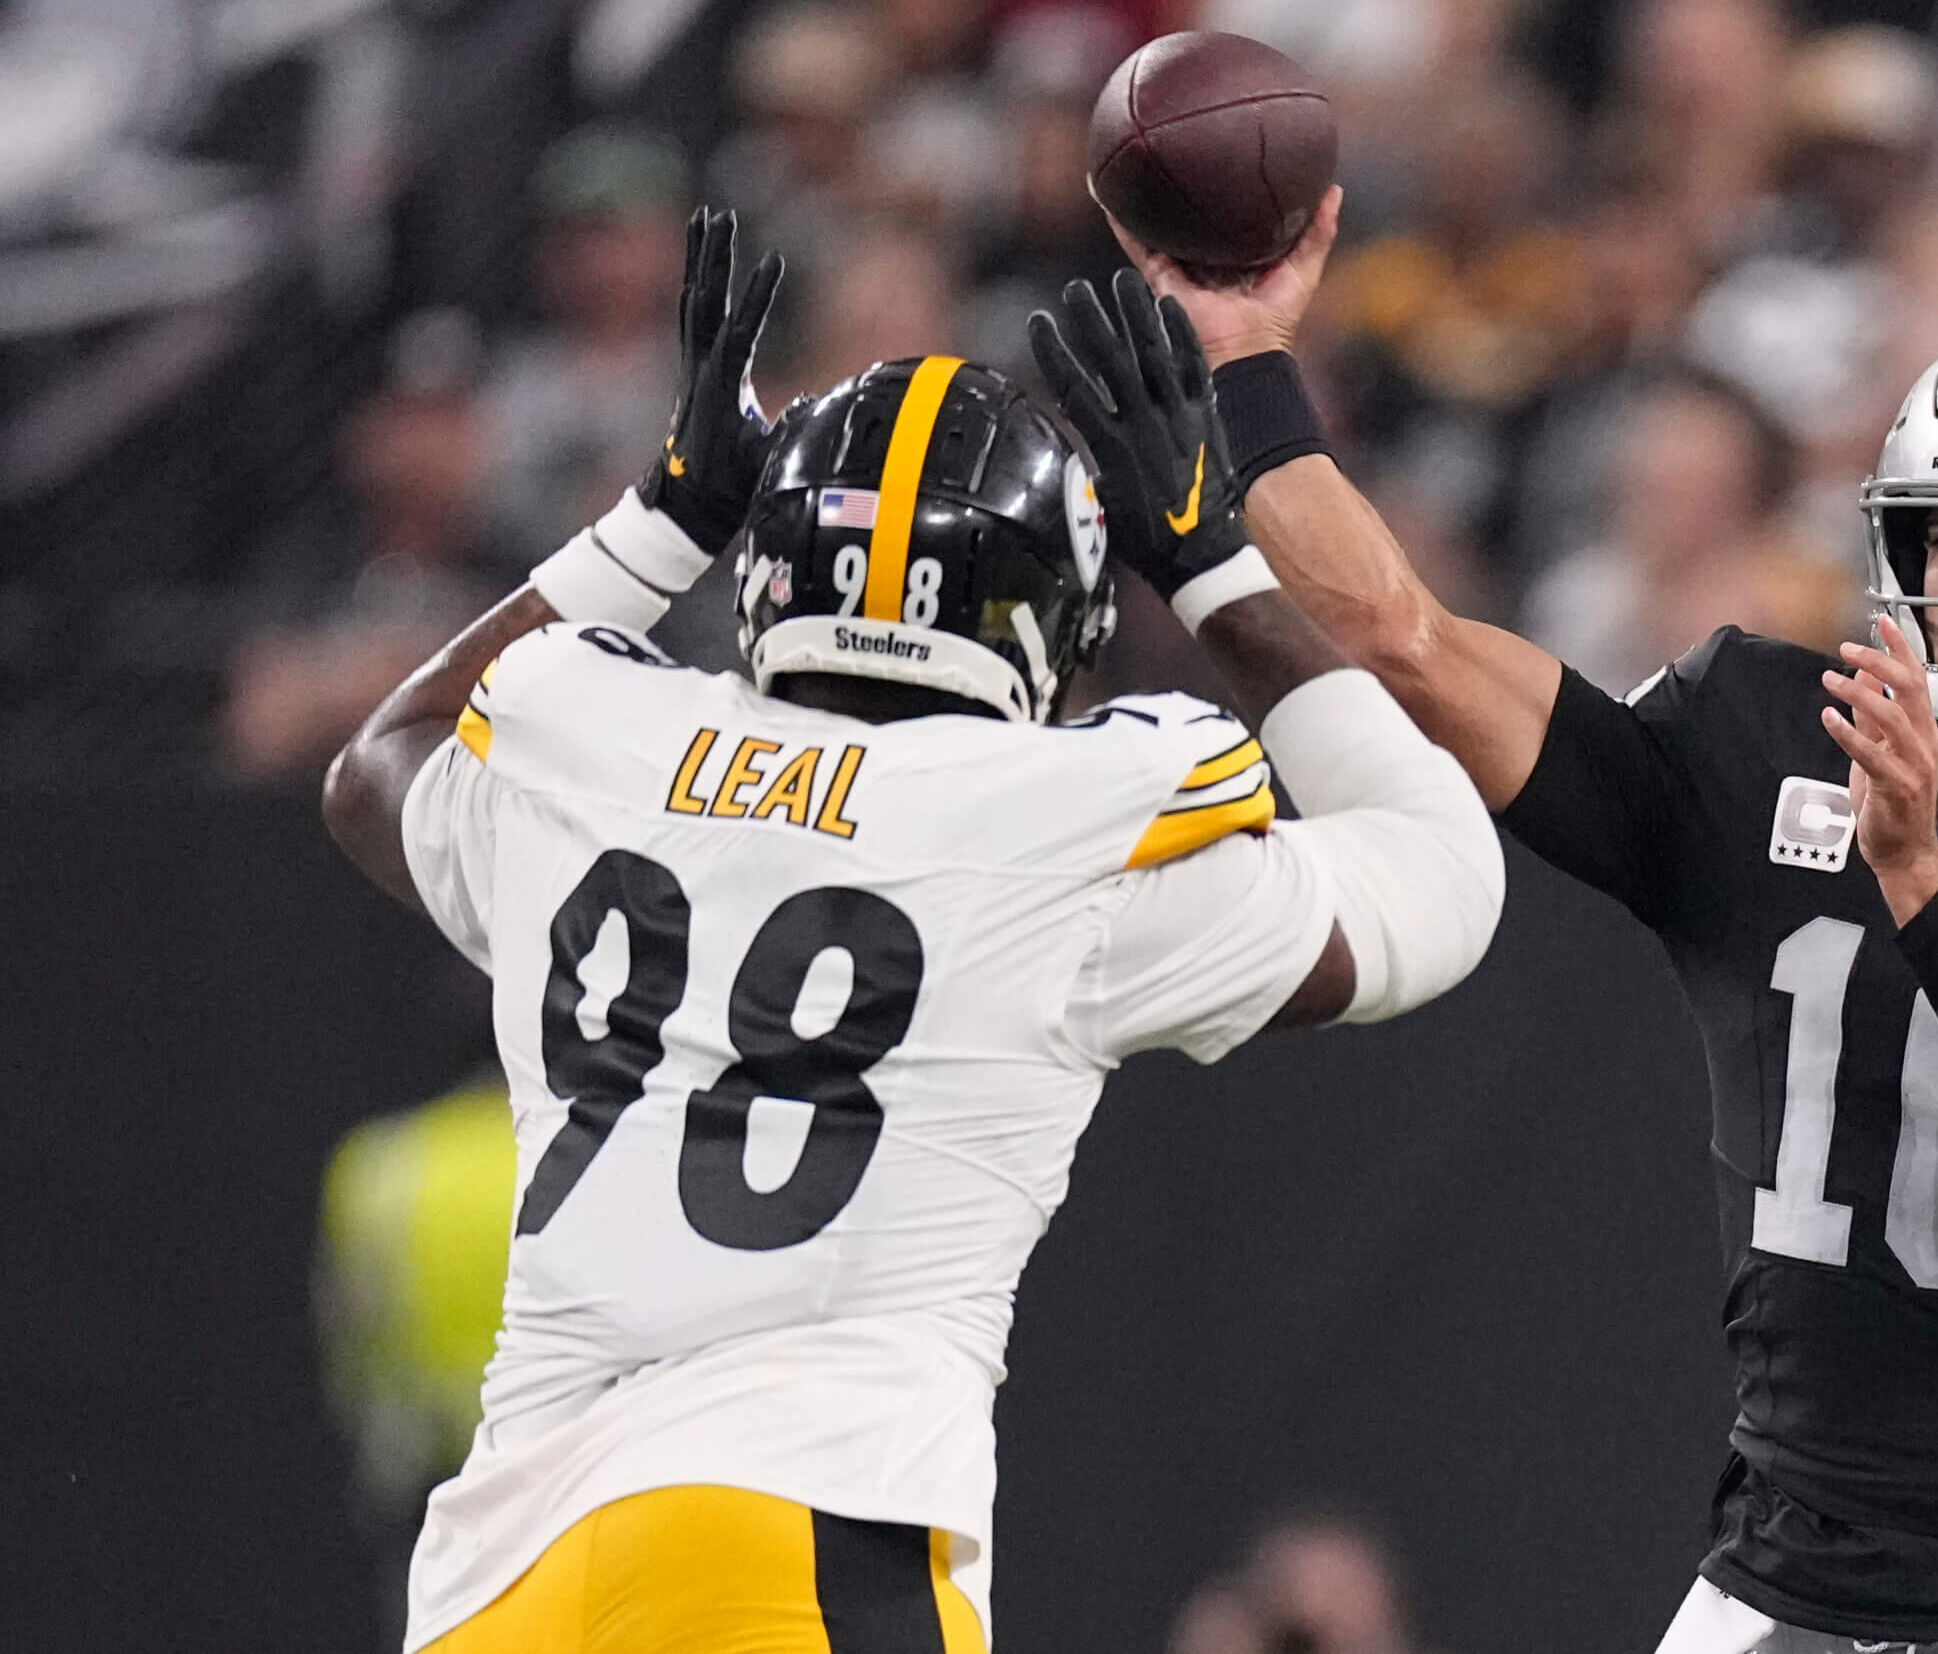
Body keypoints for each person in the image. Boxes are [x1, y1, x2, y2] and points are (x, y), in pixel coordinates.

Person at [1100, 200, 1938, 1652]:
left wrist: (1924, 874)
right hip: (1786, 1577)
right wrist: (1250, 364)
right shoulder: (1756, 735)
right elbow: (1405, 640)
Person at [320, 210, 1503, 1653]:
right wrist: (1207, 561)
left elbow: (380, 758)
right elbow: (1445, 880)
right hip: (801, 1538)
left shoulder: (606, 746)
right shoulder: (1063, 826)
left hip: (499, 1579)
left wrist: (662, 518)